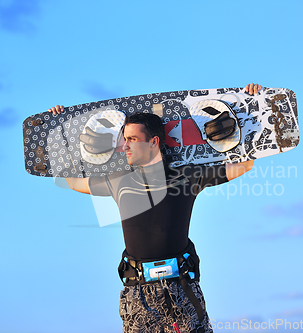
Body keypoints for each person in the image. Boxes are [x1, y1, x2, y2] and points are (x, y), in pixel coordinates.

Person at [49, 83, 262, 333]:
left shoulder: (187, 176)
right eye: (124, 139)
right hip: (137, 293)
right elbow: (72, 181)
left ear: (153, 142)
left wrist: (252, 107)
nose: (125, 145)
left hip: (181, 288)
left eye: (132, 139)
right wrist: (60, 127)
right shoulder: (119, 180)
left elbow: (243, 166)